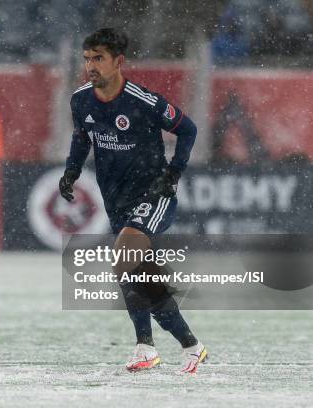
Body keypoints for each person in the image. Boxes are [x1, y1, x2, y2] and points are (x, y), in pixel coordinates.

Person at [59, 28, 206, 374]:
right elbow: (82, 137)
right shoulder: (81, 100)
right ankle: (182, 346)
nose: (90, 66)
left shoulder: (142, 101)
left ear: (118, 61)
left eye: (98, 58)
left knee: (124, 258)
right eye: (87, 58)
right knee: (134, 271)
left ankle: (149, 344)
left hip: (152, 194)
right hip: (115, 198)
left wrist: (174, 172)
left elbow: (188, 129)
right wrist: (71, 172)